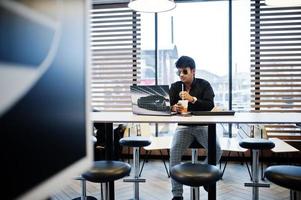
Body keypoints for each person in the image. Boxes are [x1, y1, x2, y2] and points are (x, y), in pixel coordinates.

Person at [169, 56, 222, 200]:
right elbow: (168, 107)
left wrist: (191, 99)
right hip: (183, 127)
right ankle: (177, 195)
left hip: (202, 126)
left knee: (217, 149)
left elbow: (209, 105)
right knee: (174, 151)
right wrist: (173, 107)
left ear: (193, 71)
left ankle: (205, 178)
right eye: (178, 72)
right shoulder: (175, 87)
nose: (181, 75)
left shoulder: (204, 85)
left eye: (184, 72)